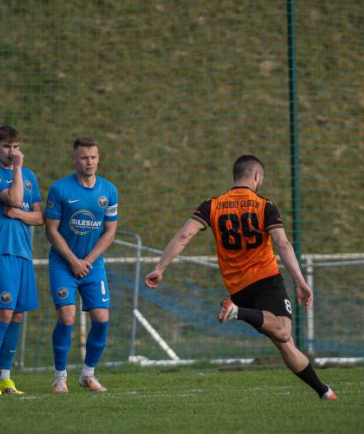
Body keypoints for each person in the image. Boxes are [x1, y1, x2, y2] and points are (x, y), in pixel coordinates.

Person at [144, 154, 337, 401]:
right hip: (266, 280)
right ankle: (237, 312)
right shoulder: (264, 205)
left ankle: (323, 391)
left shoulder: (211, 204)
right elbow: (282, 243)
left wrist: (160, 267)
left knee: (284, 341)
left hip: (237, 287)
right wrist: (300, 281)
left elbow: (184, 235)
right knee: (285, 330)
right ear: (256, 176)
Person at [44, 136, 118, 393]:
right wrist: (73, 260)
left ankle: (88, 374)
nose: (90, 162)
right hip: (63, 264)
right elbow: (51, 230)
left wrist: (87, 261)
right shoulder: (60, 189)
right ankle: (59, 377)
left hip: (92, 265)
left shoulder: (108, 191)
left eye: (94, 157)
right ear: (74, 159)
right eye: (84, 157)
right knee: (67, 316)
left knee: (101, 318)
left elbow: (110, 232)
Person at [0, 126, 43, 395]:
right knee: (4, 312)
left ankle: (5, 376)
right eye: (6, 147)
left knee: (17, 315)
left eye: (15, 146)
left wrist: (18, 215)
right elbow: (14, 198)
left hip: (23, 252)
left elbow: (39, 217)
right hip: (0, 249)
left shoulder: (30, 177)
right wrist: (16, 168)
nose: (12, 152)